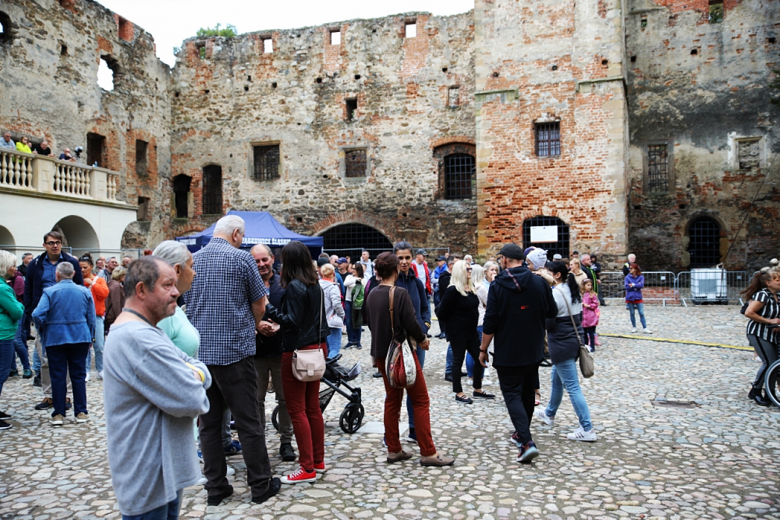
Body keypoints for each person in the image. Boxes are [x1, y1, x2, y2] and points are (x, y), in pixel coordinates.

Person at [103, 256, 212, 519]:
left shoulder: (150, 331)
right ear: (141, 290)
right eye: (167, 285)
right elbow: (193, 399)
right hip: (148, 477)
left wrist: (190, 373)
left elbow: (200, 369)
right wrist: (190, 375)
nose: (176, 292)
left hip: (161, 474)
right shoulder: (138, 338)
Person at [183, 215, 280, 506]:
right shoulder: (242, 260)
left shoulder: (194, 260)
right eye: (242, 236)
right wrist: (252, 324)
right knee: (249, 423)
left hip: (201, 355)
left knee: (209, 425)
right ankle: (260, 485)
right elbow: (260, 302)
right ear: (236, 234)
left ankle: (216, 487)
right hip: (234, 353)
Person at [365, 252, 454, 467]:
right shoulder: (400, 293)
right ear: (395, 270)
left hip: (381, 354)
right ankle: (428, 451)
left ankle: (394, 448)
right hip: (401, 352)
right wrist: (423, 339)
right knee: (421, 399)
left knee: (392, 401)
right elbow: (412, 323)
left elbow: (369, 322)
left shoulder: (372, 294)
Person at [479, 244, 557, 463]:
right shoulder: (539, 282)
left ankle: (526, 441)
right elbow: (551, 310)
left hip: (508, 347)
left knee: (512, 393)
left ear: (504, 260)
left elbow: (491, 320)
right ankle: (520, 433)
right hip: (532, 347)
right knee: (527, 392)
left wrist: (483, 349)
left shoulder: (498, 286)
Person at [264, 240, 330, 484]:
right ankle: (318, 461)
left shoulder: (294, 286)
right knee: (312, 408)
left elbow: (291, 321)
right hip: (315, 349)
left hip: (296, 351)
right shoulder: (315, 285)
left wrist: (268, 308)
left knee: (297, 409)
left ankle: (307, 467)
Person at [535, 261, 597, 441]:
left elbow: (550, 322)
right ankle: (549, 413)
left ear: (556, 275)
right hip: (574, 339)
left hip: (561, 343)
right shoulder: (572, 289)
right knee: (557, 378)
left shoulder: (556, 294)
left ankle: (587, 428)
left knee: (572, 386)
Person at [24, 231, 83, 410]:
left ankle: (64, 396)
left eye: (57, 242)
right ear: (45, 245)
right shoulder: (36, 264)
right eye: (51, 243)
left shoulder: (71, 262)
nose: (55, 245)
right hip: (44, 315)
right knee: (44, 357)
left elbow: (79, 286)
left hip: (66, 314)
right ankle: (49, 395)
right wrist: (30, 312)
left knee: (64, 356)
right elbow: (29, 288)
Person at [32, 262, 95, 426]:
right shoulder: (84, 291)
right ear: (73, 273)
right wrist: (91, 337)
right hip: (80, 336)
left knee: (58, 375)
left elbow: (37, 314)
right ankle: (81, 411)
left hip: (56, 337)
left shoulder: (50, 292)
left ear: (57, 275)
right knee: (78, 375)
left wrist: (43, 329)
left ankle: (59, 413)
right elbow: (91, 318)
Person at [250, 244, 296, 462]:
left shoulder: (284, 284)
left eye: (264, 260)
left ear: (272, 259)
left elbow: (293, 315)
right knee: (256, 400)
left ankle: (286, 441)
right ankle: (258, 442)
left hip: (281, 350)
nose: (261, 265)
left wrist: (280, 326)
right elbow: (241, 313)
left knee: (285, 399)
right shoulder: (247, 285)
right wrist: (257, 325)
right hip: (256, 351)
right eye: (257, 261)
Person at [437, 260, 494, 403]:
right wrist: (454, 321)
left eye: (470, 269)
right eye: (467, 269)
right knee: (458, 361)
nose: (470, 271)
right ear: (460, 272)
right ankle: (459, 392)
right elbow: (441, 312)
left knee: (479, 358)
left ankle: (477, 388)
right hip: (458, 332)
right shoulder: (453, 291)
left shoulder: (472, 287)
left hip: (471, 331)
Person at [393, 241, 431, 442]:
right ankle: (390, 433)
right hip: (398, 341)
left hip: (418, 341)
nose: (404, 262)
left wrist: (424, 327)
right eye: (400, 258)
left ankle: (414, 428)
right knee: (396, 388)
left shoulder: (416, 283)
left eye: (407, 257)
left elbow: (425, 307)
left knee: (415, 384)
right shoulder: (391, 282)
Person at [743, 268, 780, 407]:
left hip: (773, 334)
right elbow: (749, 312)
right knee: (769, 362)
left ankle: (769, 393)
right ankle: (755, 390)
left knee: (774, 364)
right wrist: (769, 321)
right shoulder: (762, 295)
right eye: (777, 279)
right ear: (769, 283)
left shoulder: (778, 296)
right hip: (758, 332)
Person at [0, 250, 25, 430]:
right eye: (13, 265)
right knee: (1, 373)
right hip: (3, 335)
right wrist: (19, 306)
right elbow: (17, 311)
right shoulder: (3, 288)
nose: (15, 269)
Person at [79, 254, 108, 380]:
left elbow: (104, 294)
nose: (82, 270)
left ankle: (101, 369)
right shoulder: (78, 281)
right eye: (80, 268)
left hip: (97, 316)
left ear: (91, 267)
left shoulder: (99, 280)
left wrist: (92, 284)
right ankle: (85, 370)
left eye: (85, 267)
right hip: (82, 317)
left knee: (99, 345)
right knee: (84, 345)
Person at [320, 263, 345, 359]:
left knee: (324, 349)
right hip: (332, 321)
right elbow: (337, 304)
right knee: (334, 348)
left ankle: (324, 370)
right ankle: (330, 370)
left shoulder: (316, 285)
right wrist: (342, 315)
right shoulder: (333, 287)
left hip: (320, 322)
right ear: (333, 274)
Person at [625, 263, 652, 334]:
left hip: (638, 297)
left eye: (631, 268)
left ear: (635, 269)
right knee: (632, 313)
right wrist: (637, 285)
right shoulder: (627, 277)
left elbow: (641, 285)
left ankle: (645, 327)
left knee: (641, 313)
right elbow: (627, 286)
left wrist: (633, 285)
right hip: (630, 297)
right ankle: (634, 327)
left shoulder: (641, 277)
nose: (629, 270)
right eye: (629, 268)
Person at [343, 263, 365, 349]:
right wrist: (355, 280)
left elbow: (363, 288)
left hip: (358, 302)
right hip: (349, 300)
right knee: (348, 321)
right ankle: (350, 340)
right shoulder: (349, 277)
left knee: (357, 321)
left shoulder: (363, 279)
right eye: (352, 268)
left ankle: (358, 341)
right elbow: (345, 284)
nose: (352, 270)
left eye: (354, 269)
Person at [434, 257, 452, 340]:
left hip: (443, 294)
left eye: (440, 260)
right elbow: (432, 278)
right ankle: (442, 331)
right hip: (438, 292)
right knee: (439, 311)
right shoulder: (437, 269)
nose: (438, 262)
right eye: (437, 261)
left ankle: (445, 331)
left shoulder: (445, 271)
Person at [104, 266, 126, 333]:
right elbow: (116, 303)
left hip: (111, 316)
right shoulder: (116, 286)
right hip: (113, 317)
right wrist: (120, 319)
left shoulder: (112, 284)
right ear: (121, 276)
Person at [581, 280, 599, 352]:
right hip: (583, 317)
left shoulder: (592, 295)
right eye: (588, 285)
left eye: (590, 285)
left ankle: (592, 346)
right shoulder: (582, 295)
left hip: (590, 317)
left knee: (591, 333)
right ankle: (585, 346)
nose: (589, 287)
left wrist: (588, 306)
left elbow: (595, 304)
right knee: (584, 333)